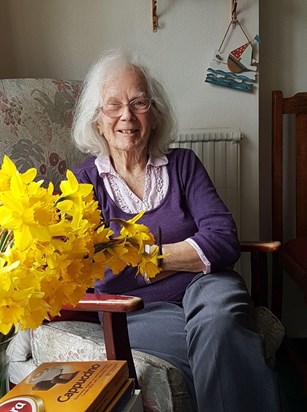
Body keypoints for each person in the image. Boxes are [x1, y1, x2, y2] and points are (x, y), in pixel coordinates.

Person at [72, 49, 281, 411]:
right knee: (222, 338)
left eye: (139, 102)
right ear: (97, 120)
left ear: (153, 115)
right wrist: (187, 252)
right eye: (113, 106)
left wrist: (143, 257)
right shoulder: (83, 184)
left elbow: (222, 239)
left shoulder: (184, 165)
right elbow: (103, 274)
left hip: (208, 286)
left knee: (220, 320)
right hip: (137, 311)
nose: (127, 116)